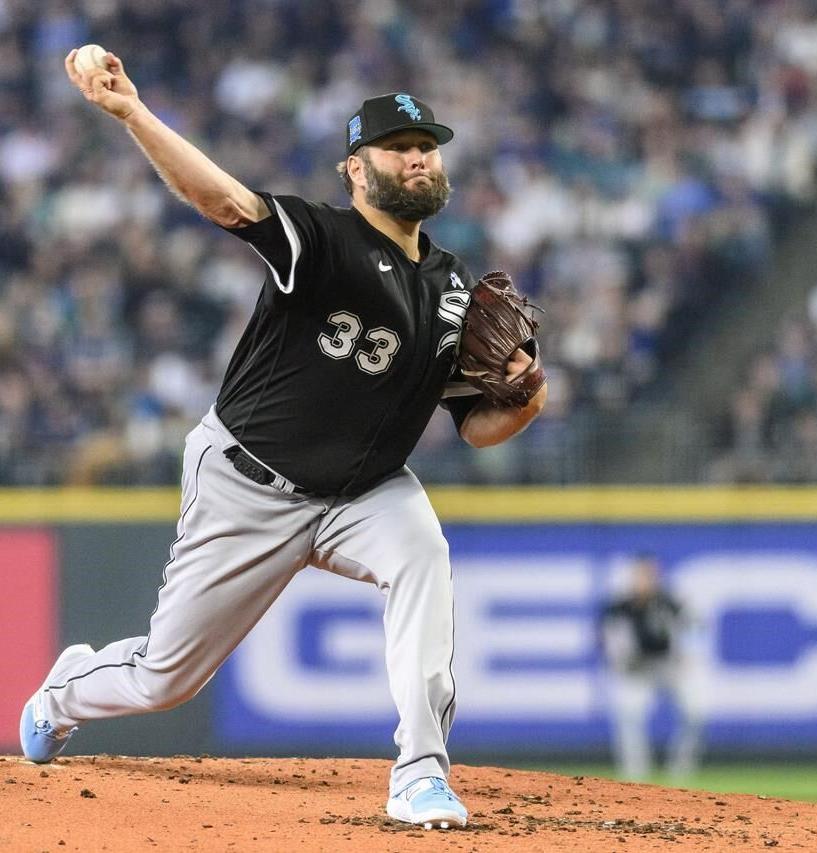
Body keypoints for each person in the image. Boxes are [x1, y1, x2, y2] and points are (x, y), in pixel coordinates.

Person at [18, 49, 547, 831]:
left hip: (365, 490)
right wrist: (132, 112)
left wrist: (530, 393)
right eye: (398, 146)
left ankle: (421, 769)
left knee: (423, 556)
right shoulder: (322, 236)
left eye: (426, 144)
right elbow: (224, 201)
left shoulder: (455, 286)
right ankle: (67, 691)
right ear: (354, 171)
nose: (418, 156)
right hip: (249, 484)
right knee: (166, 678)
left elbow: (477, 429)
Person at [598, 553, 704, 781]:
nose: (645, 579)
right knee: (629, 715)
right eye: (641, 574)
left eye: (650, 574)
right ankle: (635, 775)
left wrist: (688, 653)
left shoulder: (668, 602)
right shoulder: (620, 607)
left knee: (695, 711)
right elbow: (607, 641)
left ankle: (680, 771)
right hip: (635, 668)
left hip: (668, 665)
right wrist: (618, 661)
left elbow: (696, 627)